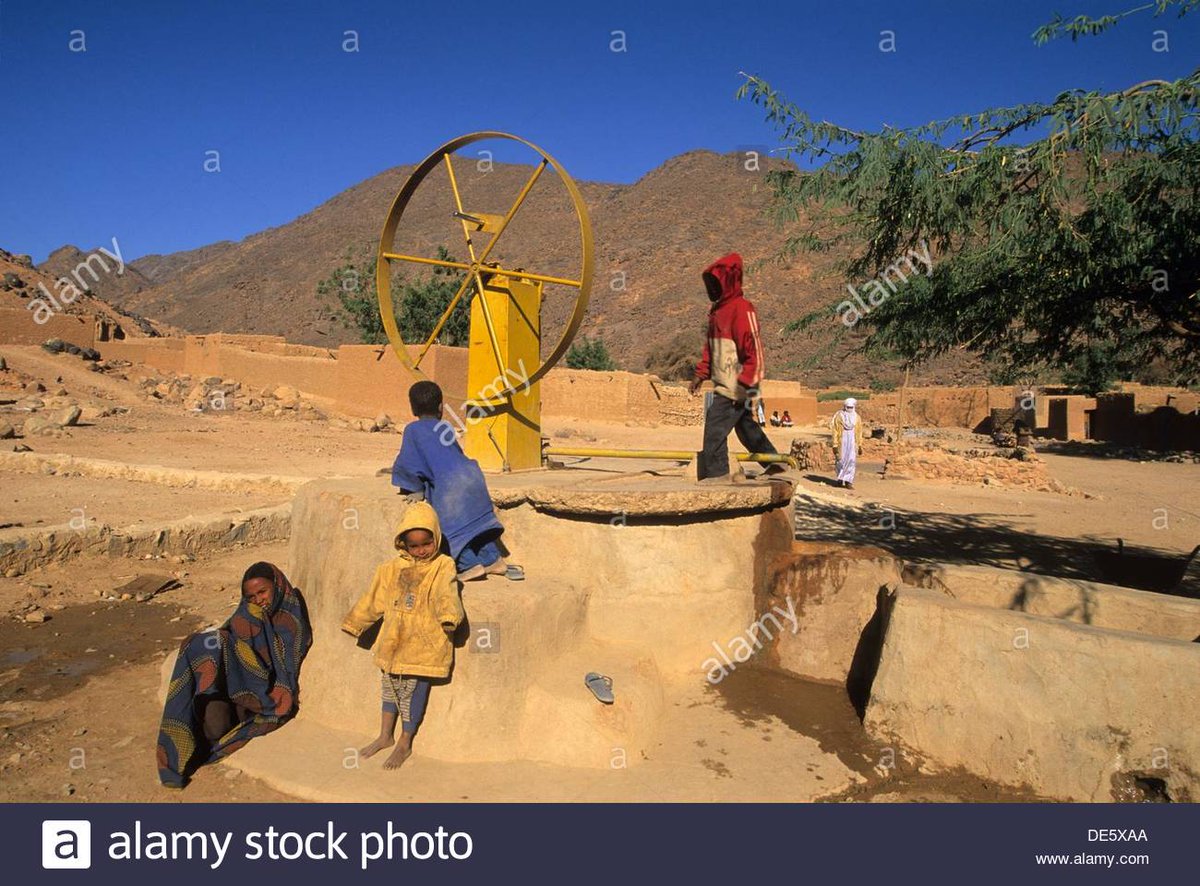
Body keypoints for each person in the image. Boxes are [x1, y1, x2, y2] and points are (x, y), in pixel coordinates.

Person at [156, 562, 311, 788]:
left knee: (216, 730)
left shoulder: (290, 616)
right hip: (235, 685)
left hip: (262, 693)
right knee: (202, 648)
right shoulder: (246, 614)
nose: (258, 600)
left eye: (262, 592)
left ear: (276, 586)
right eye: (251, 596)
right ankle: (175, 755)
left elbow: (285, 663)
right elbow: (233, 637)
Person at [342, 502, 464, 770]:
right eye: (414, 545)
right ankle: (385, 735)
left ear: (436, 538)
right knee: (388, 687)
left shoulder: (443, 565)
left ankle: (405, 741)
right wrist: (355, 622)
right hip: (393, 640)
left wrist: (449, 617)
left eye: (426, 543)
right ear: (404, 545)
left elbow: (447, 593)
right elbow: (373, 598)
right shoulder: (389, 568)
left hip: (424, 642)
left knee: (414, 691)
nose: (421, 550)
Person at [392, 380, 521, 582]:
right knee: (475, 527)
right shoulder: (445, 428)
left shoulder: (413, 430)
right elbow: (451, 456)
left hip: (451, 487)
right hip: (472, 477)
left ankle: (470, 566)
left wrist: (414, 488)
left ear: (412, 408)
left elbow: (409, 462)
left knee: (452, 531)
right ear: (441, 407)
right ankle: (493, 560)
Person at [688, 252, 782, 482]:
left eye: (716, 282)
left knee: (714, 428)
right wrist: (701, 374)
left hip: (737, 385)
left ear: (728, 281)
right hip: (726, 384)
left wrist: (746, 382)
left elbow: (754, 351)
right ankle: (775, 463)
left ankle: (717, 476)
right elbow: (710, 349)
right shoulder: (717, 313)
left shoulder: (742, 309)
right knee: (745, 427)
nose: (712, 288)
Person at [830, 397, 864, 488]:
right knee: (840, 460)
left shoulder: (857, 418)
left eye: (851, 407)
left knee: (851, 461)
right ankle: (840, 479)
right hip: (842, 442)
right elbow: (835, 430)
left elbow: (859, 431)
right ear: (845, 407)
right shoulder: (839, 416)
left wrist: (860, 445)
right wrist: (835, 444)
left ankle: (849, 481)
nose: (849, 409)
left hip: (852, 442)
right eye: (847, 407)